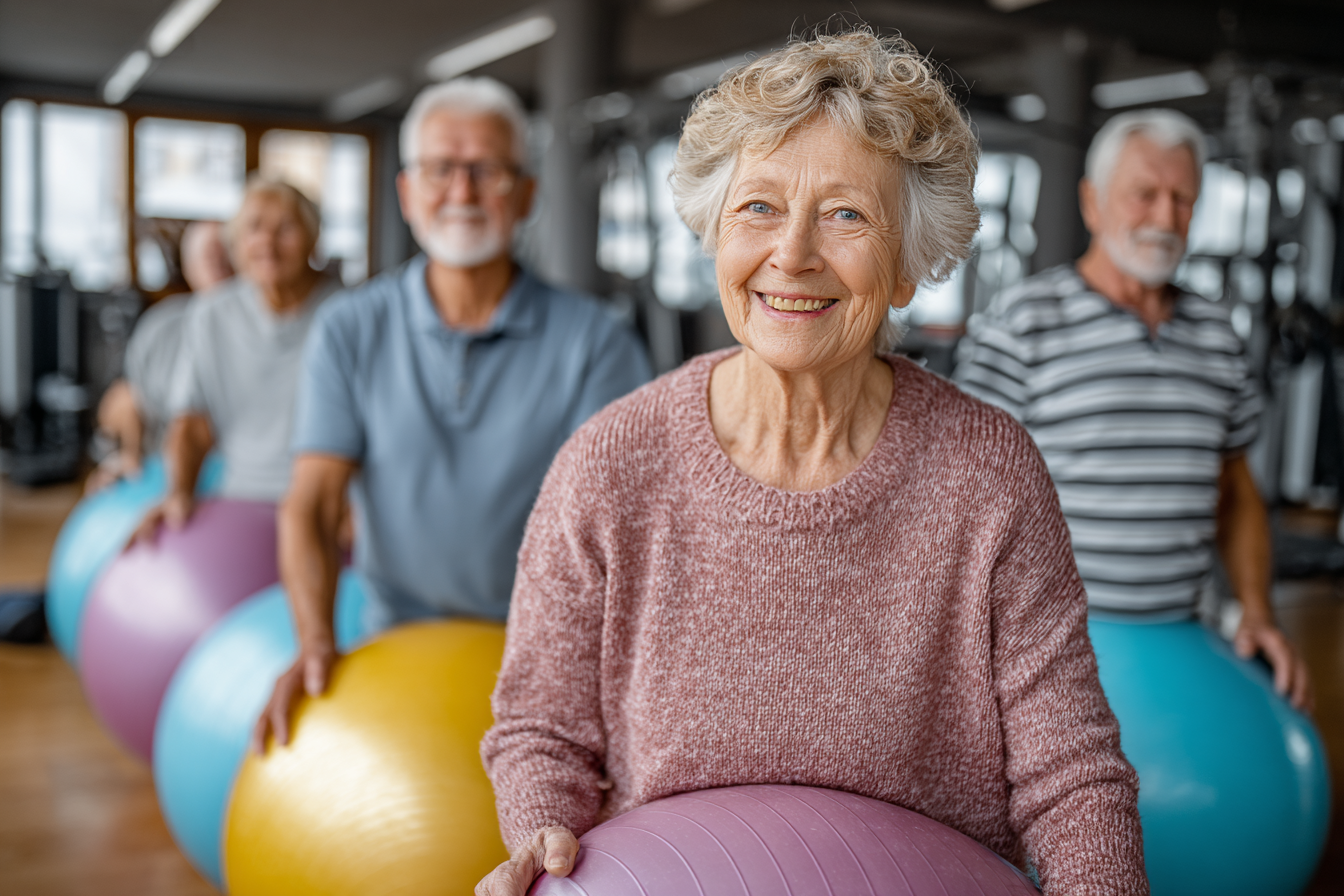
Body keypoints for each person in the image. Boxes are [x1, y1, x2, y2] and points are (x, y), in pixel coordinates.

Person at [477, 32, 1146, 896]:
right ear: (714, 233)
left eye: (845, 215)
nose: (792, 254)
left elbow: (1072, 776)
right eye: (758, 207)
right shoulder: (612, 462)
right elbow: (541, 727)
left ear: (907, 266)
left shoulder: (987, 473)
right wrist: (544, 836)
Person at [250, 77, 651, 752]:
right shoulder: (350, 328)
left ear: (525, 194)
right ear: (408, 193)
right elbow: (312, 505)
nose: (461, 193)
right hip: (392, 644)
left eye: (485, 171)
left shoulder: (596, 340)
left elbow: (624, 526)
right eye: (440, 169)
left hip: (548, 664)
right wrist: (315, 642)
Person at [954, 109, 1312, 711]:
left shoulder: (1217, 334)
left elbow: (1237, 491)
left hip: (1180, 640)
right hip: (1047, 647)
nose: (1166, 219)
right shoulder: (1022, 322)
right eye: (1145, 195)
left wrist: (1256, 609)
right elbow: (964, 497)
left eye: (1184, 199)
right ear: (1093, 203)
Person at [132, 179, 340, 539]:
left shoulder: (348, 314)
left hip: (328, 504)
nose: (268, 244)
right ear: (236, 244)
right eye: (254, 228)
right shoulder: (210, 314)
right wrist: (178, 493)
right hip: (238, 503)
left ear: (313, 238)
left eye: (286, 228)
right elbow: (191, 423)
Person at [89, 220, 233, 492]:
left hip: (234, 474)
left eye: (227, 252)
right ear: (189, 266)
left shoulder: (267, 332)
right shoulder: (162, 324)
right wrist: (123, 455)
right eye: (209, 255)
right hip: (159, 470)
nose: (219, 262)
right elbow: (122, 399)